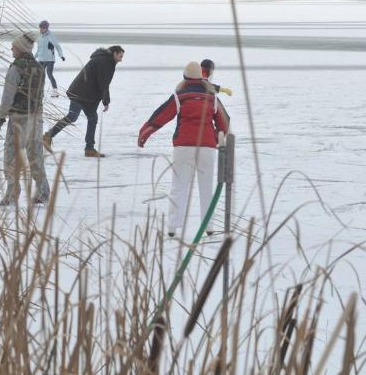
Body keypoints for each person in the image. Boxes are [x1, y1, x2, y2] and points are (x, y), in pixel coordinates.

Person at [138, 61, 230, 237]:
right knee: (206, 188)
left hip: (184, 147)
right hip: (207, 148)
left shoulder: (180, 95)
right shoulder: (213, 97)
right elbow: (224, 122)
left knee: (178, 187)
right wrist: (218, 138)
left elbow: (161, 115)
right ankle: (209, 227)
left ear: (185, 77)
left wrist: (145, 132)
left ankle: (173, 227)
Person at [0, 31, 50, 206]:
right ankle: (43, 191)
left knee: (10, 156)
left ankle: (12, 192)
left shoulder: (16, 68)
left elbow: (8, 95)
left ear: (20, 48)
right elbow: (39, 95)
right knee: (35, 155)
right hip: (36, 117)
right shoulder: (39, 68)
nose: (11, 49)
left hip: (18, 118)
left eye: (14, 47)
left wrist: (2, 116)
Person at [43, 45, 125, 157]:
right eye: (120, 56)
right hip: (81, 93)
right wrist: (106, 101)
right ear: (114, 53)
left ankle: (89, 149)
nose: (121, 59)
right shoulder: (105, 62)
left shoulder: (105, 60)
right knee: (75, 117)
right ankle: (49, 136)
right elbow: (103, 83)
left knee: (89, 118)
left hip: (85, 94)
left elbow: (102, 82)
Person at [36, 20, 65, 97]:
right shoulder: (39, 37)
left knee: (49, 74)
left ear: (46, 28)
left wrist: (61, 55)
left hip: (50, 59)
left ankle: (55, 91)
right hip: (41, 59)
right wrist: (34, 56)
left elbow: (57, 46)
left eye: (43, 28)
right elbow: (39, 48)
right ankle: (39, 91)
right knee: (40, 75)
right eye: (40, 28)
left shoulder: (51, 36)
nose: (41, 29)